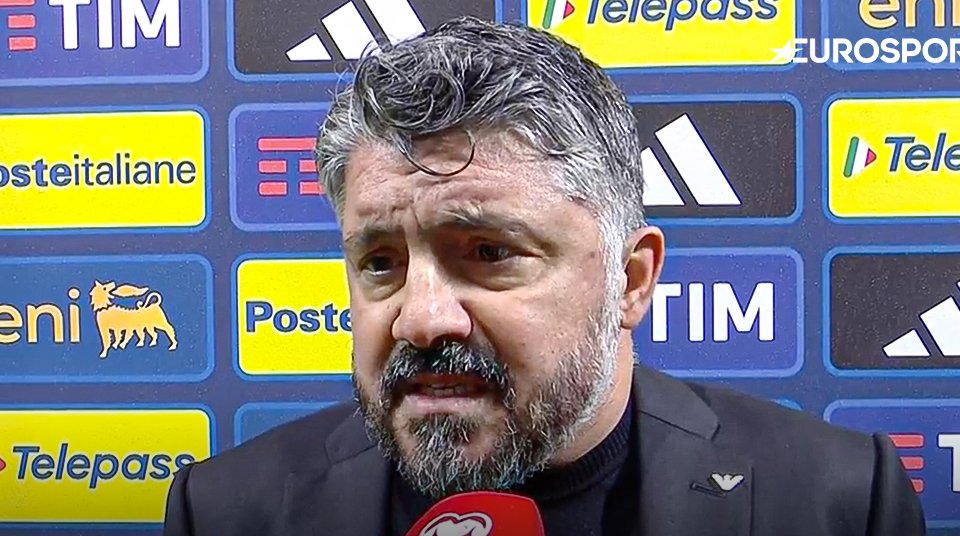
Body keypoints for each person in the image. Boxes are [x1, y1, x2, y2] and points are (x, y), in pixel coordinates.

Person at [163, 17, 926, 536]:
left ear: (631, 280)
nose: (421, 319)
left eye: (489, 253)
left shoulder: (838, 499)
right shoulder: (228, 511)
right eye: (381, 262)